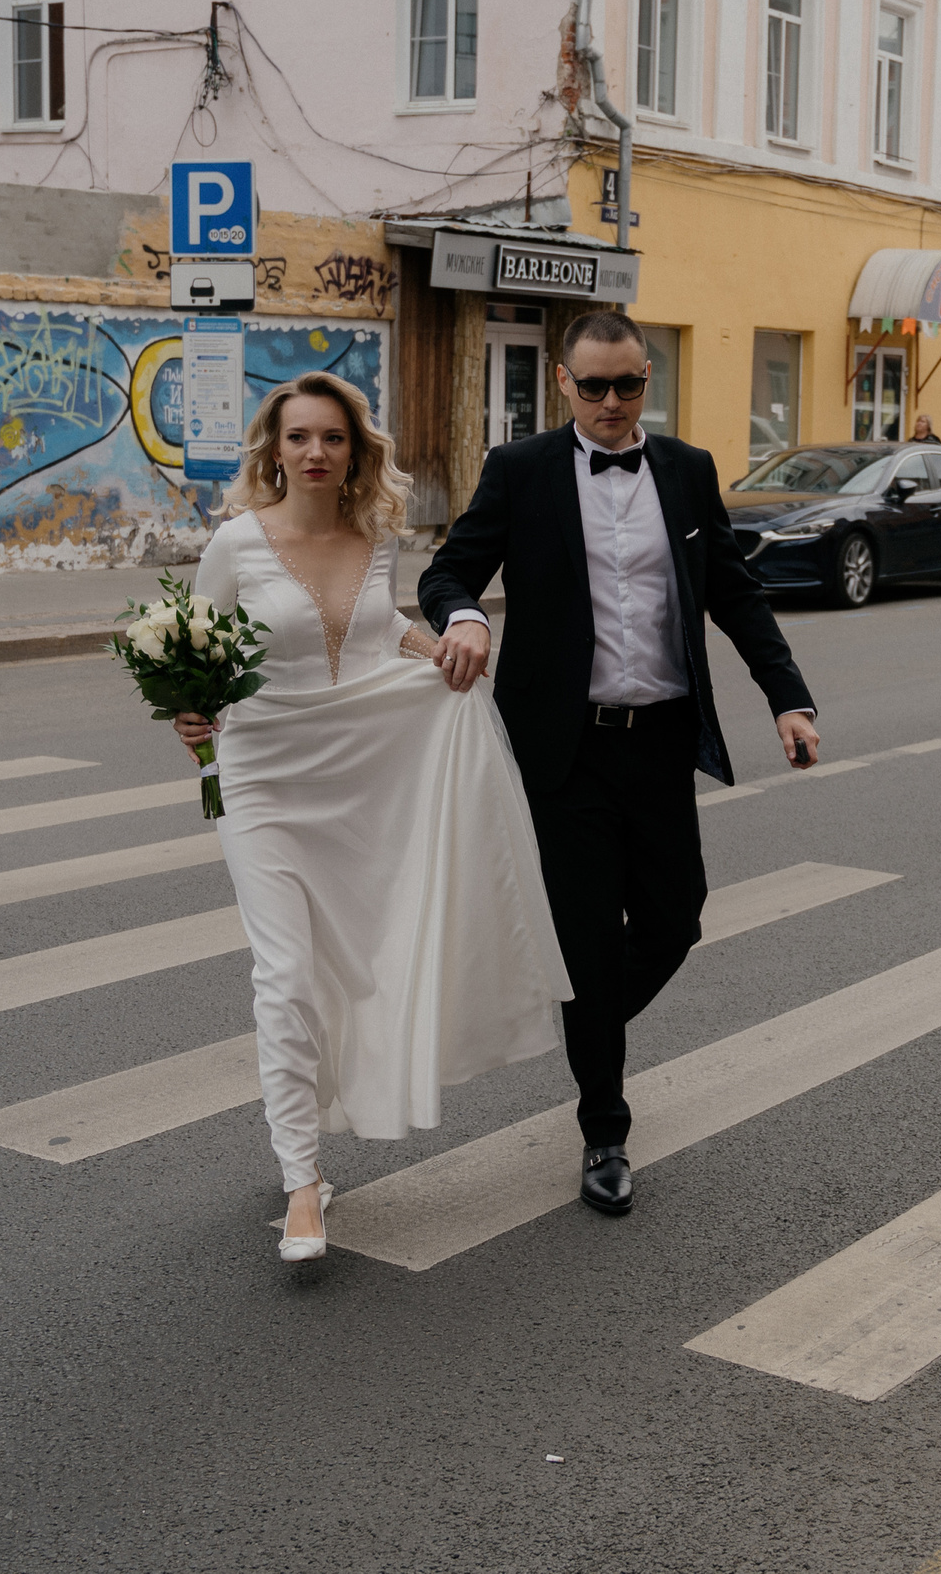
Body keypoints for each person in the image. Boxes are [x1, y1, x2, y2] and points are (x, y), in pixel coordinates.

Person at [419, 310, 820, 1219]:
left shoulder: (685, 470)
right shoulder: (519, 473)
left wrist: (787, 697)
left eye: (628, 385)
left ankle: (584, 1021)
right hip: (566, 751)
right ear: (563, 384)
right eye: (592, 386)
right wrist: (468, 618)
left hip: (663, 740)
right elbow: (448, 573)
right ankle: (605, 1124)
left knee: (676, 921)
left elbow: (733, 592)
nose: (610, 402)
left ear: (649, 380)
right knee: (592, 938)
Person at [172, 372, 571, 1265]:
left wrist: (443, 648)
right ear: (274, 450)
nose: (316, 452)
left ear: (356, 451)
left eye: (333, 438)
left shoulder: (377, 539)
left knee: (360, 954)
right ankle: (303, 1187)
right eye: (299, 437)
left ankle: (325, 1126)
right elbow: (197, 648)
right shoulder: (235, 543)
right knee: (285, 976)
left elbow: (377, 625)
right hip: (262, 773)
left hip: (362, 771)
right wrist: (187, 714)